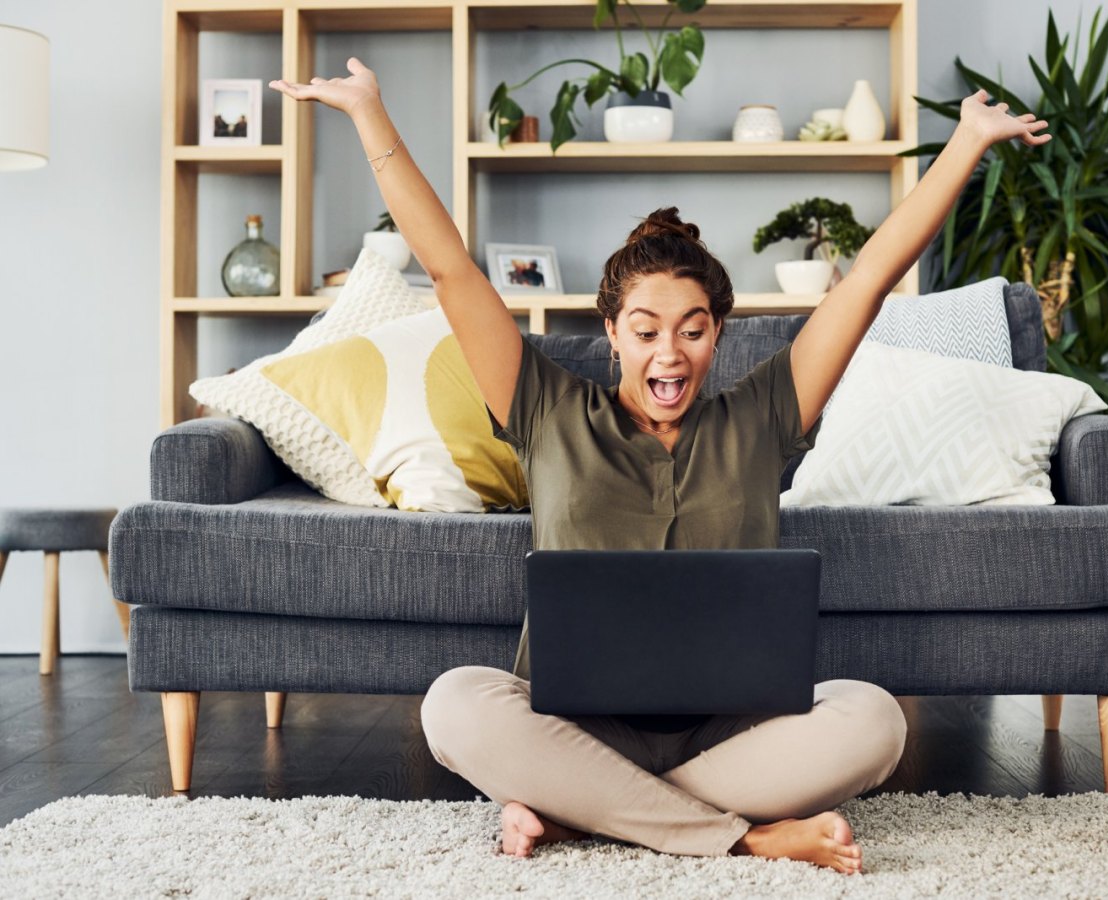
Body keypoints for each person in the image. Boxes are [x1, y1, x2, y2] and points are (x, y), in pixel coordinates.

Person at [270, 59, 1049, 874]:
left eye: (693, 329)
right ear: (611, 332)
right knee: (455, 705)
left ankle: (591, 811)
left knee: (875, 720)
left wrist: (966, 142)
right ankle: (738, 836)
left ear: (719, 332)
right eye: (645, 330)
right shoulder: (544, 407)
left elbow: (873, 277)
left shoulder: (765, 412)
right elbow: (449, 269)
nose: (669, 354)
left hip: (732, 732)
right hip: (577, 725)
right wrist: (368, 115)